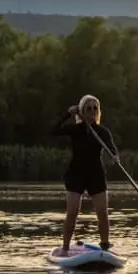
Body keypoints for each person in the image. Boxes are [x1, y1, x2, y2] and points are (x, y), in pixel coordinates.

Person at [51, 94, 118, 255]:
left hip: (96, 174)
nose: (93, 111)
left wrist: (115, 156)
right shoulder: (76, 130)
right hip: (76, 174)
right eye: (89, 108)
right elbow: (53, 131)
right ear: (82, 111)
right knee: (72, 212)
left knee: (102, 212)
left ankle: (105, 246)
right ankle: (65, 248)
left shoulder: (102, 132)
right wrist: (68, 114)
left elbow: (112, 148)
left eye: (95, 108)